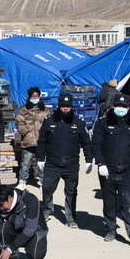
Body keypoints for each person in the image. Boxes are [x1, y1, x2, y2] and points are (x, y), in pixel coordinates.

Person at [92, 94, 130, 245]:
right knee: (109, 202)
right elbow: (96, 145)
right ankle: (111, 229)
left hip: (127, 170)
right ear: (113, 106)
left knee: (127, 202)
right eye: (118, 106)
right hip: (108, 170)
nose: (121, 108)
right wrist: (100, 163)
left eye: (124, 106)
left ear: (129, 107)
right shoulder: (103, 123)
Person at [36, 93, 93, 227]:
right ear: (58, 105)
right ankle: (47, 210)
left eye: (68, 106)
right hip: (52, 163)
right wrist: (40, 158)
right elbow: (42, 141)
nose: (65, 108)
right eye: (63, 105)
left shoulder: (79, 123)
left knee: (71, 191)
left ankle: (70, 218)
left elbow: (86, 143)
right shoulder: (49, 121)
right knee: (47, 188)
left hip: (71, 164)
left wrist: (89, 160)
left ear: (71, 106)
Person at [0, 184, 48, 259]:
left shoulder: (30, 200)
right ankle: (8, 258)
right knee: (2, 227)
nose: (0, 208)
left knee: (35, 257)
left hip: (35, 232)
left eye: (1, 205)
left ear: (10, 198)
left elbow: (30, 229)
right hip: (17, 229)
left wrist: (10, 249)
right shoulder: (0, 205)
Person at [16, 87, 49, 188]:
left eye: (36, 96)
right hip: (28, 141)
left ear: (39, 97)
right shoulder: (23, 110)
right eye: (33, 96)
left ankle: (44, 182)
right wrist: (26, 132)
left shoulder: (45, 110)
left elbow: (49, 124)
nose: (35, 98)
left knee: (42, 163)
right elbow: (19, 123)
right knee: (25, 163)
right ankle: (22, 181)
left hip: (42, 142)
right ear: (29, 97)